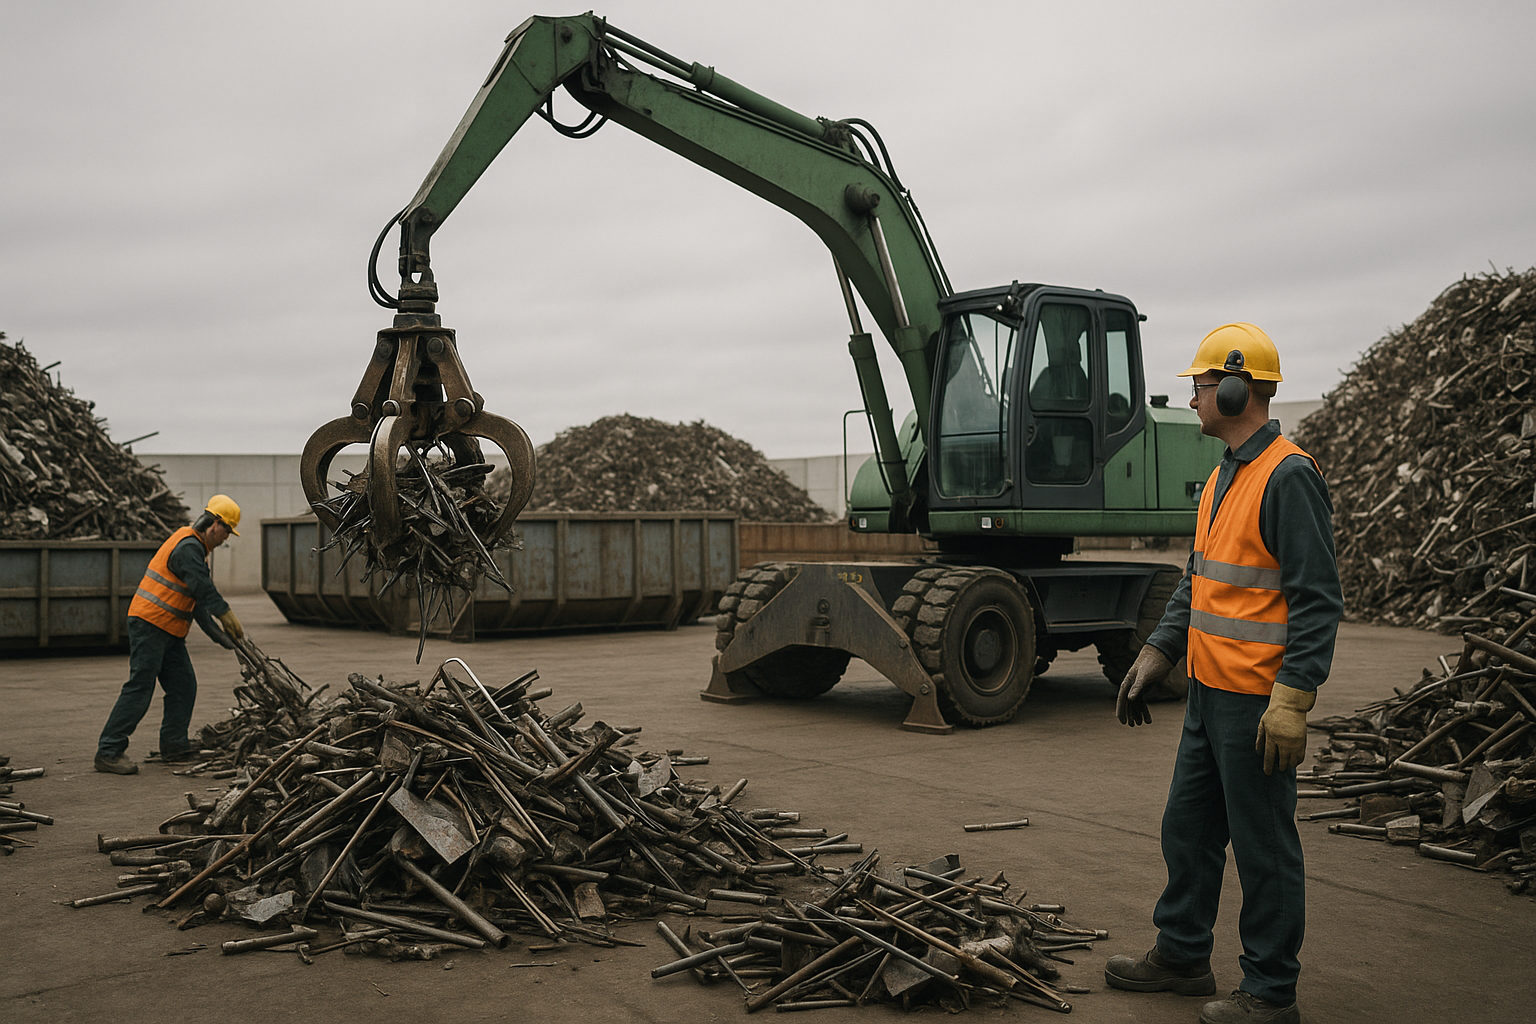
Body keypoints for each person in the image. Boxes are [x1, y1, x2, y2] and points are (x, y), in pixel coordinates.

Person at [1104, 323, 1343, 1024]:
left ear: (1236, 388)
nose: (1195, 398)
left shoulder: (1288, 476)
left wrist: (1293, 700)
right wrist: (1157, 652)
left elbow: (1318, 599)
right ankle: (1181, 954)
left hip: (1256, 703)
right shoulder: (1221, 477)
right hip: (1209, 696)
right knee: (1188, 830)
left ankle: (1270, 992)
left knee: (1265, 849)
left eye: (1201, 386)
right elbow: (1198, 582)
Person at [94, 495, 246, 774]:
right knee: (140, 688)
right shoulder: (187, 547)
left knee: (183, 686)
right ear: (215, 524)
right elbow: (203, 589)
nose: (226, 539)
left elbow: (197, 605)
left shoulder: (195, 548)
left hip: (169, 630)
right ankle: (108, 751)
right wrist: (225, 613)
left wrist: (224, 639)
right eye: (228, 532)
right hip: (150, 625)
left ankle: (174, 746)